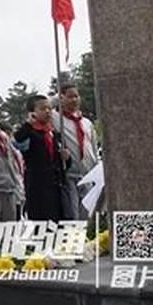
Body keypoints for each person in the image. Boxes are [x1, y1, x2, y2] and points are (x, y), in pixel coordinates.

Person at [13, 95, 70, 221]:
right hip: (38, 186)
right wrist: (28, 124)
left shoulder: (53, 133)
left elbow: (62, 161)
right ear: (33, 112)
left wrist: (66, 157)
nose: (48, 111)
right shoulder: (30, 133)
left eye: (49, 108)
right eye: (43, 109)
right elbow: (18, 140)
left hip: (55, 185)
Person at [53, 83, 99, 219]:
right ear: (62, 98)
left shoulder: (86, 122)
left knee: (89, 216)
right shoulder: (57, 119)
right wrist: (56, 98)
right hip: (70, 176)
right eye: (70, 96)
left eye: (76, 96)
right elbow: (44, 105)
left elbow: (94, 148)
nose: (74, 100)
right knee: (73, 217)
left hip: (88, 176)